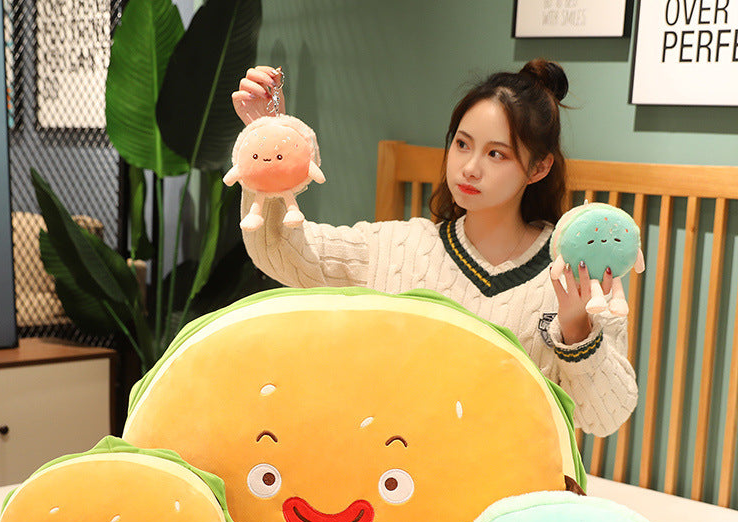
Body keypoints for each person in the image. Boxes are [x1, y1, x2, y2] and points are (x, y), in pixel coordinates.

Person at [231, 60, 638, 438]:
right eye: (462, 144)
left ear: (539, 168)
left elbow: (603, 418)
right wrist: (270, 138)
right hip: (403, 481)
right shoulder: (398, 248)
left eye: (496, 153)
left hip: (514, 492)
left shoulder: (573, 273)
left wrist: (577, 330)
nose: (470, 166)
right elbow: (282, 250)